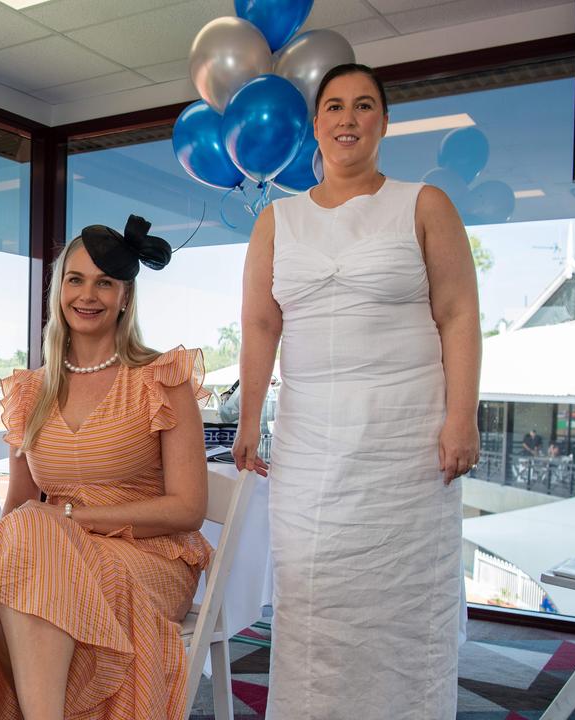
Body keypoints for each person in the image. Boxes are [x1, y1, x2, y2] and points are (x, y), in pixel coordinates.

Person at [232, 63, 481, 719]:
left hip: (405, 445)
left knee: (401, 612)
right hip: (311, 449)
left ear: (384, 122)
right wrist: (248, 418)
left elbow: (458, 314)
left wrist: (463, 418)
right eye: (335, 106)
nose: (348, 118)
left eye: (364, 106)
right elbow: (261, 324)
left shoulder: (424, 204)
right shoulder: (276, 221)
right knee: (313, 607)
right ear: (316, 124)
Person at [0, 216, 213, 720]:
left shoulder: (160, 377)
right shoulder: (30, 391)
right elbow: (21, 504)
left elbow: (190, 508)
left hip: (150, 556)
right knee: (22, 566)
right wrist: (47, 528)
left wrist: (69, 519)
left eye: (105, 282)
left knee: (10, 581)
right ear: (58, 290)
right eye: (76, 279)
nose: (88, 295)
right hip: (58, 554)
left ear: (125, 297)